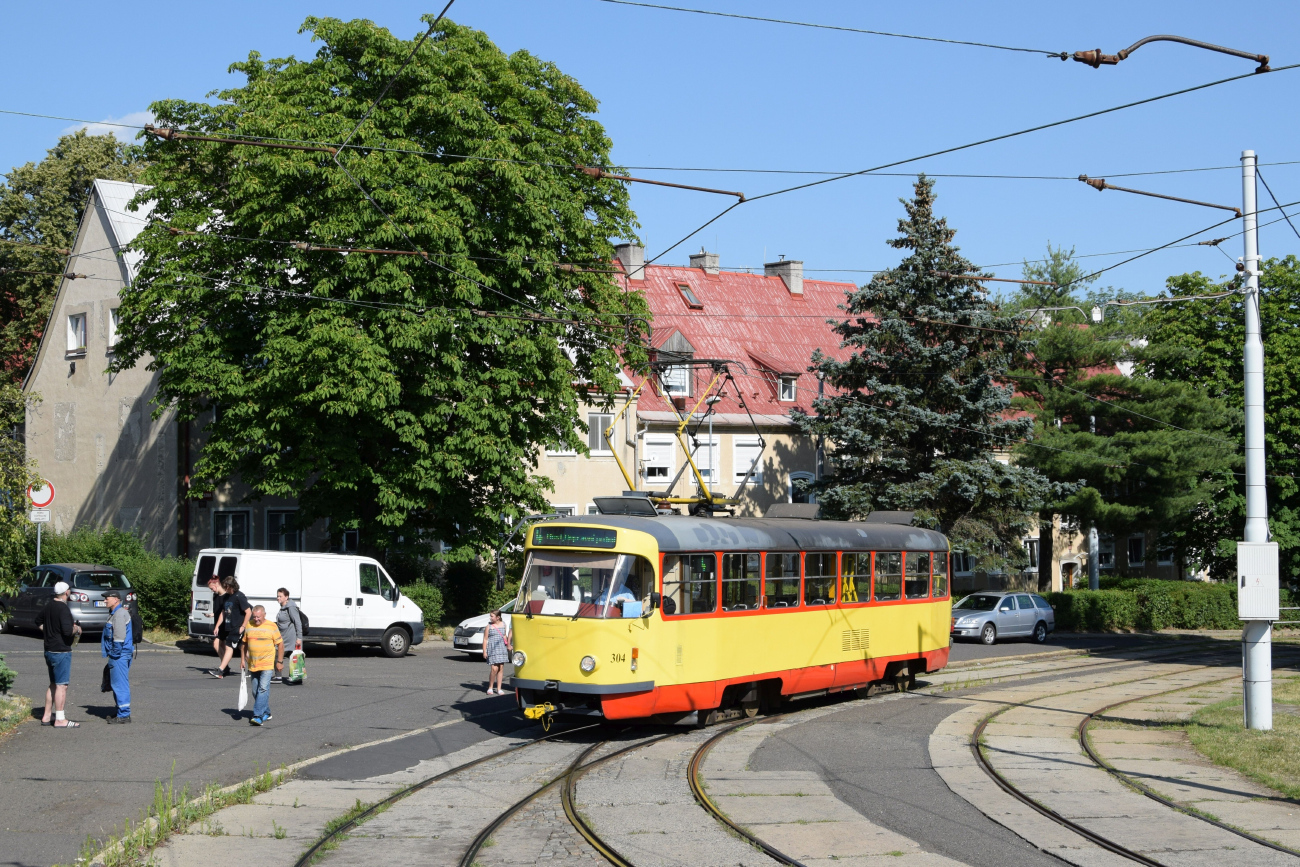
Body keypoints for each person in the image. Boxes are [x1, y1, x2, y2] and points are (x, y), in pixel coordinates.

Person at [37, 581, 81, 728]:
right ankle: (60, 719)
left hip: (49, 649)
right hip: (61, 651)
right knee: (62, 686)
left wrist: (49, 633)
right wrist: (77, 629)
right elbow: (68, 631)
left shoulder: (49, 606)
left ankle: (46, 716)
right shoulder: (63, 609)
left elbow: (38, 621)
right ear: (66, 592)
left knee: (53, 684)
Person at [241, 605, 283, 725]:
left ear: (264, 615)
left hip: (267, 664)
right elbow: (244, 643)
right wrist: (242, 660)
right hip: (253, 664)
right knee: (255, 691)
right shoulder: (249, 625)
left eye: (258, 617)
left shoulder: (272, 626)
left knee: (263, 689)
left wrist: (279, 662)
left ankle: (257, 715)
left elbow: (280, 644)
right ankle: (267, 712)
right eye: (254, 617)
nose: (256, 619)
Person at [209, 575, 251, 679]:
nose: (225, 589)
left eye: (226, 587)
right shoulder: (227, 597)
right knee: (244, 649)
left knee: (229, 647)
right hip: (230, 626)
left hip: (237, 626)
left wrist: (243, 626)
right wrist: (217, 626)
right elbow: (223, 613)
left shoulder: (239, 596)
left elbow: (248, 612)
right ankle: (254, 668)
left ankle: (221, 670)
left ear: (230, 586)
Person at [101, 588, 133, 723]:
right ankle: (120, 711)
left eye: (106, 598)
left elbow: (119, 638)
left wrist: (114, 655)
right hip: (120, 654)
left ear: (115, 599)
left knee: (120, 685)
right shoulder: (115, 613)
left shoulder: (119, 614)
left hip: (119, 655)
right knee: (117, 684)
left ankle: (124, 715)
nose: (104, 601)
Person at [272, 588, 302, 684]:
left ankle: (291, 677)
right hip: (283, 636)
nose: (278, 598)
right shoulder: (283, 607)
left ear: (286, 597)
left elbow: (297, 622)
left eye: (280, 596)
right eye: (277, 596)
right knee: (288, 656)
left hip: (290, 637)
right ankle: (283, 676)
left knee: (285, 656)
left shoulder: (291, 607)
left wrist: (299, 638)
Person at [482, 609, 511, 695]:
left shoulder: (504, 624)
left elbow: (504, 635)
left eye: (492, 616)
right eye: (490, 616)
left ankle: (499, 688)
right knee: (494, 669)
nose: (490, 618)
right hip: (492, 649)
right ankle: (490, 687)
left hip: (501, 648)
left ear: (498, 617)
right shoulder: (489, 626)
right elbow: (485, 639)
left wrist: (508, 644)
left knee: (501, 668)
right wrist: (484, 651)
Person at [206, 575, 226, 661]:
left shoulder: (226, 597)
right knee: (221, 646)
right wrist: (213, 614)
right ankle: (224, 666)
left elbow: (224, 612)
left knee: (216, 644)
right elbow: (219, 611)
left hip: (224, 624)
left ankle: (224, 666)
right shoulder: (216, 596)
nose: (212, 591)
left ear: (217, 584)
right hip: (218, 624)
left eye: (212, 588)